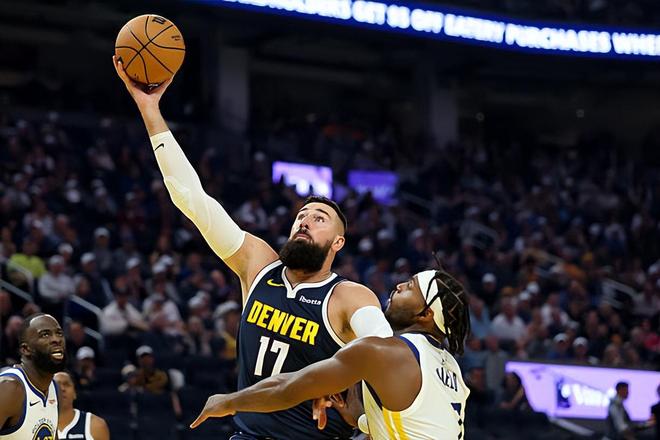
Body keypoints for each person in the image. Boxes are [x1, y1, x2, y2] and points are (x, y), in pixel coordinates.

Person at [113, 58, 393, 440]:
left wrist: (358, 406)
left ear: (338, 243)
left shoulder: (347, 296)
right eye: (301, 215)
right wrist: (150, 110)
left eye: (319, 219)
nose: (305, 221)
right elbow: (192, 199)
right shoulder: (258, 264)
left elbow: (386, 350)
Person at [190, 268, 471, 440]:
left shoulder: (387, 353)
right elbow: (419, 428)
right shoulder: (451, 369)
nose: (398, 286)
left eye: (409, 287)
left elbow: (289, 387)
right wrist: (361, 420)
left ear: (425, 314)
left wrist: (228, 401)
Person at [0, 313, 65, 439]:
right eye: (45, 335)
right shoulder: (8, 388)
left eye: (59, 333)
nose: (56, 339)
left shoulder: (55, 389)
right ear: (26, 349)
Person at [54, 371, 109, 440]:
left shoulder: (95, 425)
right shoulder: (41, 423)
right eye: (57, 385)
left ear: (75, 393)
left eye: (67, 384)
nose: (62, 389)